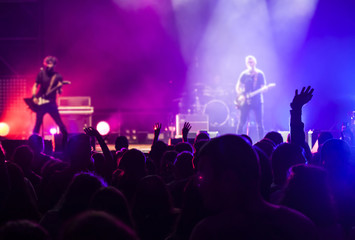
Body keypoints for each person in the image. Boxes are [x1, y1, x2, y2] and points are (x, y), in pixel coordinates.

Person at [31, 56, 68, 145]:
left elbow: (59, 92)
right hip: (41, 102)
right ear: (45, 64)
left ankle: (66, 143)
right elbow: (35, 85)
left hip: (51, 103)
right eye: (47, 63)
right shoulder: (41, 74)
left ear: (54, 64)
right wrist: (34, 97)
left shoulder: (58, 76)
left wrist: (59, 88)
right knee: (37, 123)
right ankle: (33, 144)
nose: (49, 65)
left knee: (59, 123)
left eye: (51, 63)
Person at [236, 55, 266, 139]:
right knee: (241, 123)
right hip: (245, 101)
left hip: (257, 101)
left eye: (251, 62)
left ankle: (261, 141)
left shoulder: (260, 74)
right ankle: (237, 141)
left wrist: (264, 89)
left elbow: (263, 87)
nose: (250, 64)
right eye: (249, 62)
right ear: (246, 64)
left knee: (259, 124)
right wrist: (241, 95)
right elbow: (238, 86)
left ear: (255, 63)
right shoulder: (244, 74)